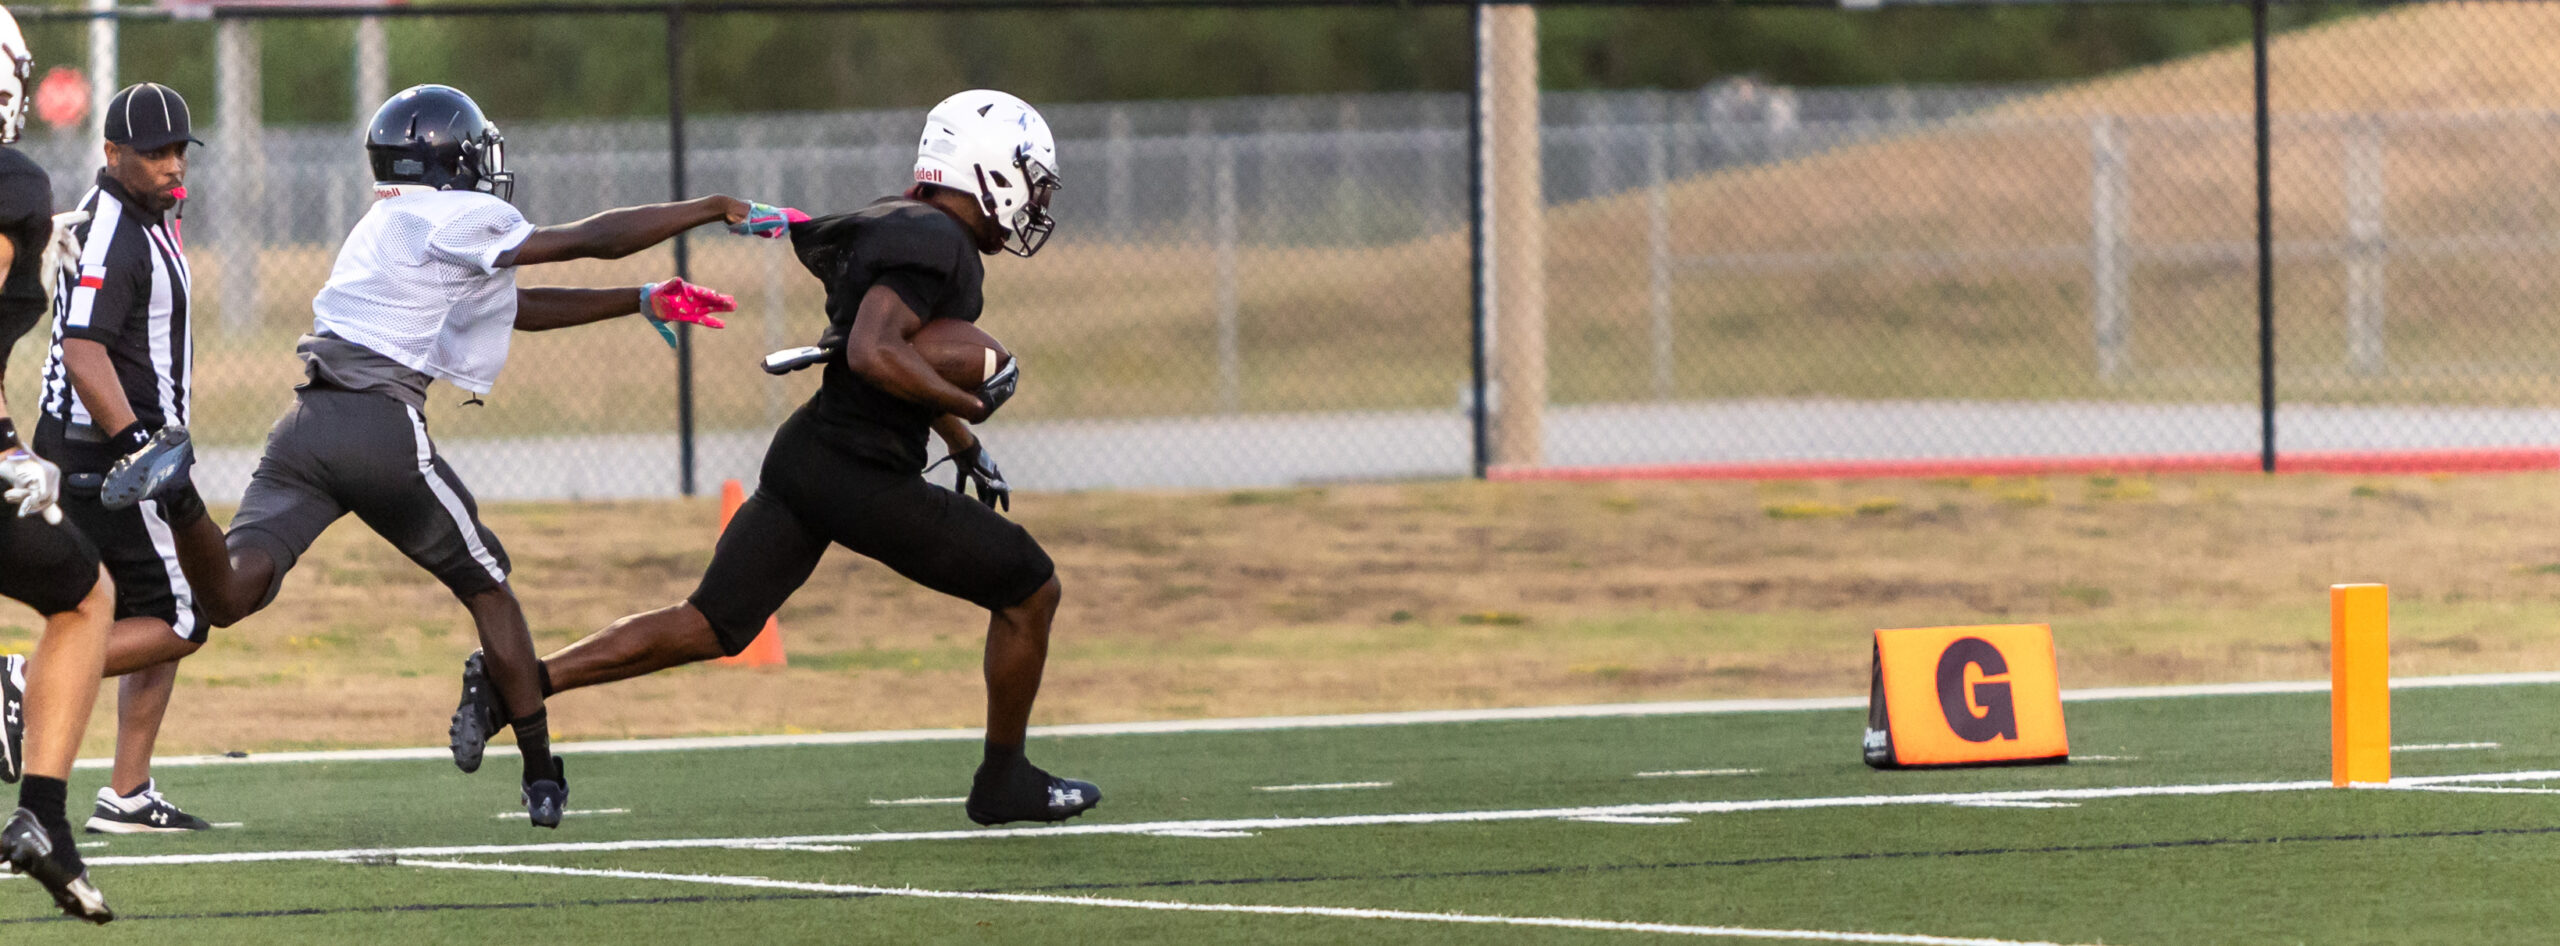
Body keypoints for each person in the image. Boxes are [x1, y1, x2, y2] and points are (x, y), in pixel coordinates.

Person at [162, 84, 779, 827]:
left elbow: (511, 307)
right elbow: (588, 237)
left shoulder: (387, 221)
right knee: (489, 588)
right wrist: (711, 207)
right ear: (448, 155)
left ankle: (179, 496)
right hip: (380, 427)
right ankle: (542, 773)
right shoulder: (457, 212)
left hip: (305, 424)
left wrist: (640, 298)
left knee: (229, 595)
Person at [503, 89, 1098, 826]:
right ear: (989, 171)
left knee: (711, 623)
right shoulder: (938, 240)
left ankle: (520, 682)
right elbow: (874, 353)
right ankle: (1003, 780)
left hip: (811, 457)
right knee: (1029, 588)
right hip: (861, 473)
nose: (1034, 200)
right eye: (1030, 179)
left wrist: (963, 442)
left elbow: (884, 353)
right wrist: (979, 401)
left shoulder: (900, 219)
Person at [27, 81, 218, 835]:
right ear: (113, 154)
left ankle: (129, 793)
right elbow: (82, 350)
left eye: (179, 149)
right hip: (105, 453)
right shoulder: (113, 225)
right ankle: (21, 682)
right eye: (154, 153)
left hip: (102, 447)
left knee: (146, 607)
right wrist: (141, 449)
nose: (172, 164)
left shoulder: (140, 214)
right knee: (182, 615)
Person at [0, 6, 117, 921]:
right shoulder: (12, 185)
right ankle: (41, 811)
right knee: (86, 600)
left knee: (85, 594)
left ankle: (46, 825)